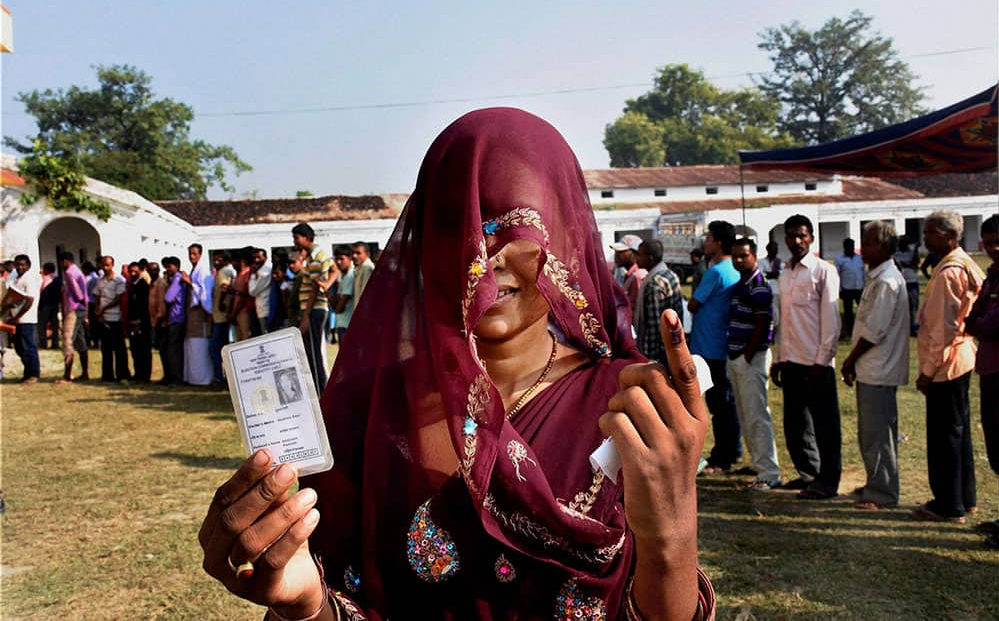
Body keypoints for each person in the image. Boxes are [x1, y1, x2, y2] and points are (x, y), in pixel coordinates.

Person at [199, 108, 716, 620]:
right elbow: (337, 597)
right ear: (424, 242)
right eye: (457, 222)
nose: (482, 252)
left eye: (517, 223)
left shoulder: (630, 408)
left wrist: (671, 537)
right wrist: (306, 605)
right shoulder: (367, 410)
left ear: (564, 240)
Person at [912, 210, 984, 523]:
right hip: (962, 358)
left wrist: (927, 372)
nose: (925, 239)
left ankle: (949, 504)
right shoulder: (964, 262)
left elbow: (943, 330)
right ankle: (964, 498)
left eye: (930, 233)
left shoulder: (947, 273)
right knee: (958, 432)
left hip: (947, 364)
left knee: (945, 438)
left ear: (949, 237)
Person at [771, 214, 842, 500]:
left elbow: (831, 321)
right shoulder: (786, 273)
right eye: (791, 236)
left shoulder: (823, 271)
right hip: (791, 362)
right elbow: (783, 321)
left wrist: (822, 360)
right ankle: (809, 474)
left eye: (802, 235)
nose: (796, 241)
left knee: (825, 426)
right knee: (795, 425)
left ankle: (828, 481)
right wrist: (778, 358)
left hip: (816, 364)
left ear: (811, 237)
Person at [840, 221, 909, 511]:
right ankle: (876, 483)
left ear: (883, 247)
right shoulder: (877, 276)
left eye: (868, 244)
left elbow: (875, 331)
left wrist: (851, 358)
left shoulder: (886, 281)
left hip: (878, 367)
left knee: (877, 433)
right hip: (873, 368)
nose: (863, 249)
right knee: (875, 431)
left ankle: (882, 492)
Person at [688, 221, 742, 475]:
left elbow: (693, 304)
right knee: (726, 403)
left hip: (709, 346)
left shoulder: (717, 272)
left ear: (718, 242)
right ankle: (733, 448)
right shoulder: (732, 270)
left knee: (718, 404)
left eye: (708, 238)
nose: (705, 242)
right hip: (720, 343)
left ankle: (722, 455)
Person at [727, 238, 781, 490]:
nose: (738, 260)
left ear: (754, 256)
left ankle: (769, 473)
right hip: (738, 355)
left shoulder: (759, 286)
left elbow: (763, 325)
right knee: (746, 414)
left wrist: (748, 355)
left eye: (744, 256)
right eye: (735, 256)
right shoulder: (742, 284)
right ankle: (759, 465)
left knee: (757, 415)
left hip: (751, 358)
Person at [965, 213, 999, 547]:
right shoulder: (991, 277)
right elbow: (973, 317)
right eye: (989, 243)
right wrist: (980, 322)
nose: (995, 248)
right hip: (990, 368)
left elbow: (988, 325)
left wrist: (980, 322)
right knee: (997, 446)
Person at [294, 223, 333, 395]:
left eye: (296, 237)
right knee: (311, 352)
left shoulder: (317, 255)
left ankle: (321, 391)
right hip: (313, 309)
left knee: (314, 352)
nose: (294, 241)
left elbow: (314, 289)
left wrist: (305, 317)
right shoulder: (312, 256)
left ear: (306, 237)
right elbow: (334, 270)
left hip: (314, 309)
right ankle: (319, 390)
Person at [634, 239, 683, 365]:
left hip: (658, 351)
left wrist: (651, 360)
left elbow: (655, 325)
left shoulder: (654, 282)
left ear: (650, 258)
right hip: (673, 344)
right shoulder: (670, 274)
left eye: (639, 255)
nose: (636, 258)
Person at [92, 255, 130, 382]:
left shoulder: (119, 280)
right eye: (103, 265)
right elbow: (97, 296)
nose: (105, 267)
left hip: (115, 317)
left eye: (108, 265)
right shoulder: (100, 280)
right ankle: (107, 375)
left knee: (119, 348)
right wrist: (98, 311)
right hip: (103, 318)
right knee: (106, 348)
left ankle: (122, 374)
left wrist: (103, 309)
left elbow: (118, 299)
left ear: (112, 265)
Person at [4, 255, 41, 384]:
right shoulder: (15, 278)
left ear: (28, 265)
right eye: (18, 264)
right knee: (19, 347)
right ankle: (27, 372)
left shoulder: (29, 279)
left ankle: (34, 374)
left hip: (26, 318)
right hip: (15, 318)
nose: (20, 267)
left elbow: (29, 300)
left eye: (23, 264)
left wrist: (17, 317)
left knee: (28, 347)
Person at [182, 243, 215, 386]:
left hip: (200, 313)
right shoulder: (194, 270)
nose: (192, 256)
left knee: (199, 347)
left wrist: (190, 283)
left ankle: (203, 379)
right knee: (191, 347)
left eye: (194, 254)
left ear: (200, 255)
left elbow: (205, 293)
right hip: (191, 314)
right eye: (190, 253)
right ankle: (193, 378)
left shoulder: (203, 271)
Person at [57, 252, 90, 384]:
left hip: (74, 309)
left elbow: (78, 294)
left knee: (68, 339)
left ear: (65, 261)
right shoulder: (78, 271)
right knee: (80, 340)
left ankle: (67, 375)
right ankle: (85, 373)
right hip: (81, 309)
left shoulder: (70, 273)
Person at [210, 252, 236, 384]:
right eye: (214, 260)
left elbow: (225, 288)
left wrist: (220, 303)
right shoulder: (228, 271)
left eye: (218, 260)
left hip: (221, 316)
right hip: (221, 316)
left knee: (215, 348)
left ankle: (219, 377)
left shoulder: (223, 272)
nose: (215, 262)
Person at [162, 256, 187, 386]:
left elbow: (168, 298)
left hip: (176, 317)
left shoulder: (177, 278)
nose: (167, 269)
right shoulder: (175, 278)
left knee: (174, 349)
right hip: (177, 317)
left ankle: (176, 377)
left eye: (169, 266)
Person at [127, 262, 153, 383]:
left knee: (143, 350)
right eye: (130, 271)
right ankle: (138, 373)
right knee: (135, 349)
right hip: (132, 322)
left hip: (142, 323)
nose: (132, 274)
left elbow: (144, 306)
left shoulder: (143, 286)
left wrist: (139, 322)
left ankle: (145, 375)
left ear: (140, 272)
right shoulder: (131, 285)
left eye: (135, 272)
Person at [834, 238, 865, 339]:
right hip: (847, 289)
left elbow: (863, 273)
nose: (850, 248)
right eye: (848, 246)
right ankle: (850, 332)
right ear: (844, 247)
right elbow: (837, 275)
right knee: (848, 313)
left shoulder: (860, 258)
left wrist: (866, 286)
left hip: (859, 288)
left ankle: (863, 332)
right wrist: (839, 290)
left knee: (863, 311)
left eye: (851, 246)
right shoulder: (840, 260)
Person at [609, 235, 646, 312]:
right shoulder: (627, 274)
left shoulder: (638, 276)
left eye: (621, 252)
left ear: (634, 253)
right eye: (616, 251)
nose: (616, 255)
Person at [893, 235, 921, 336]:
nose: (903, 244)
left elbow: (915, 263)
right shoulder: (895, 253)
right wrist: (908, 265)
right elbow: (897, 265)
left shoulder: (912, 252)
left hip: (912, 281)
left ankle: (913, 328)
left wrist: (916, 250)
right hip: (899, 282)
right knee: (899, 306)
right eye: (902, 242)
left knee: (913, 306)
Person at [228, 247, 255, 342]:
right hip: (238, 312)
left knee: (245, 339)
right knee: (239, 340)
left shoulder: (246, 274)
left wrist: (234, 314)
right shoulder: (240, 274)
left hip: (243, 311)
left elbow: (242, 297)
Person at [332, 245, 355, 343]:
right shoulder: (342, 275)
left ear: (350, 258)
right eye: (336, 259)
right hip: (342, 323)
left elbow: (339, 307)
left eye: (342, 259)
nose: (338, 262)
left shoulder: (351, 275)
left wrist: (337, 307)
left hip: (348, 324)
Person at [37, 261, 61, 349]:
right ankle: (55, 343)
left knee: (42, 325)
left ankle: (43, 343)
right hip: (55, 305)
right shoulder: (58, 279)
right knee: (55, 325)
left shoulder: (45, 280)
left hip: (45, 305)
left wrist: (39, 307)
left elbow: (42, 294)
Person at [249, 248, 273, 337]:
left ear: (265, 257)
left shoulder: (265, 272)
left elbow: (252, 291)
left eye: (259, 257)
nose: (256, 260)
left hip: (266, 310)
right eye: (254, 258)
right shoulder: (260, 271)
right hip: (261, 309)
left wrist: (252, 275)